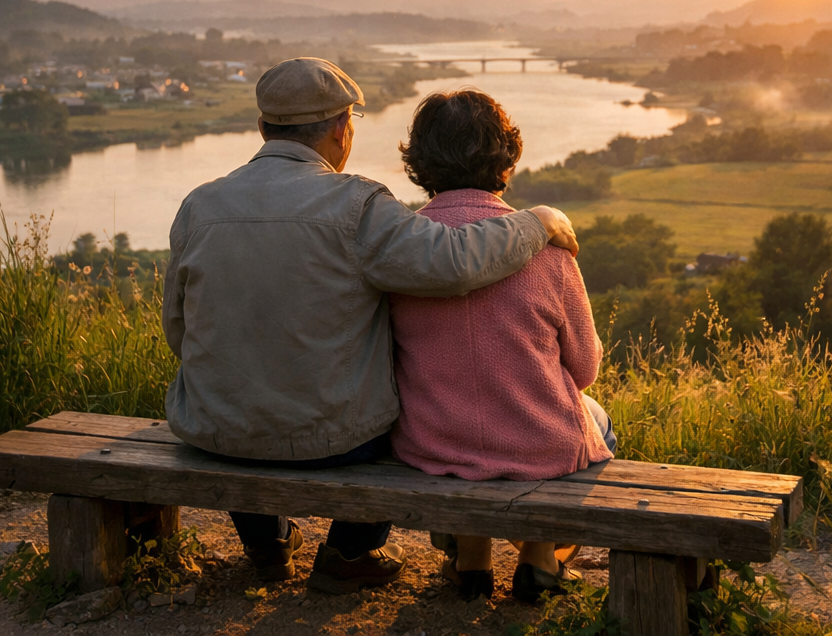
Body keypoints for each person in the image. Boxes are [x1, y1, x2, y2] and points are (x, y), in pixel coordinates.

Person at [162, 58, 580, 594]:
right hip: (336, 442)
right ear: (342, 128)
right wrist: (536, 221)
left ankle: (266, 543)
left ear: (264, 128)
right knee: (406, 411)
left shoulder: (200, 205)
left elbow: (178, 326)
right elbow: (452, 262)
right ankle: (349, 552)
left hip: (213, 429)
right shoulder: (356, 205)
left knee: (248, 396)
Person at [389, 90, 616, 603]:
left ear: (419, 161)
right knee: (596, 418)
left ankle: (471, 561)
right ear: (505, 157)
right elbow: (583, 369)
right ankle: (538, 559)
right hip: (538, 444)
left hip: (431, 441)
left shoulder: (402, 246)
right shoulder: (550, 250)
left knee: (467, 416)